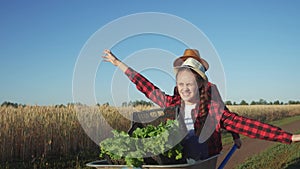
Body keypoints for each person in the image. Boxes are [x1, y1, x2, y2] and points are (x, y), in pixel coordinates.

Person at [102, 49, 300, 161]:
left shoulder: (212, 109)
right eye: (181, 83)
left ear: (200, 84)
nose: (184, 88)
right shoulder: (172, 104)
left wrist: (289, 137)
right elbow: (146, 86)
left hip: (205, 157)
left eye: (190, 83)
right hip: (181, 160)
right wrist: (118, 64)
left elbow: (244, 124)